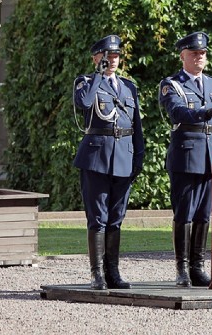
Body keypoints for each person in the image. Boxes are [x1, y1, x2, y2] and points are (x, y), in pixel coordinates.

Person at [73, 34, 145, 290]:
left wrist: (139, 155)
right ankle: (97, 274)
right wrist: (97, 76)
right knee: (98, 217)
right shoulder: (85, 83)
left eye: (115, 56)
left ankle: (113, 272)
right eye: (106, 56)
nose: (112, 60)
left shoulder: (128, 87)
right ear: (96, 58)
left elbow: (136, 126)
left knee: (116, 217)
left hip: (123, 157)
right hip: (96, 158)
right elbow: (84, 103)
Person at [159, 31, 212, 287]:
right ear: (183, 56)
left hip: (210, 156)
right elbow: (177, 112)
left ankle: (197, 266)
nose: (199, 57)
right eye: (194, 53)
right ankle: (182, 269)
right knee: (184, 214)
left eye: (203, 53)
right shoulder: (172, 84)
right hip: (186, 156)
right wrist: (204, 112)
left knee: (203, 215)